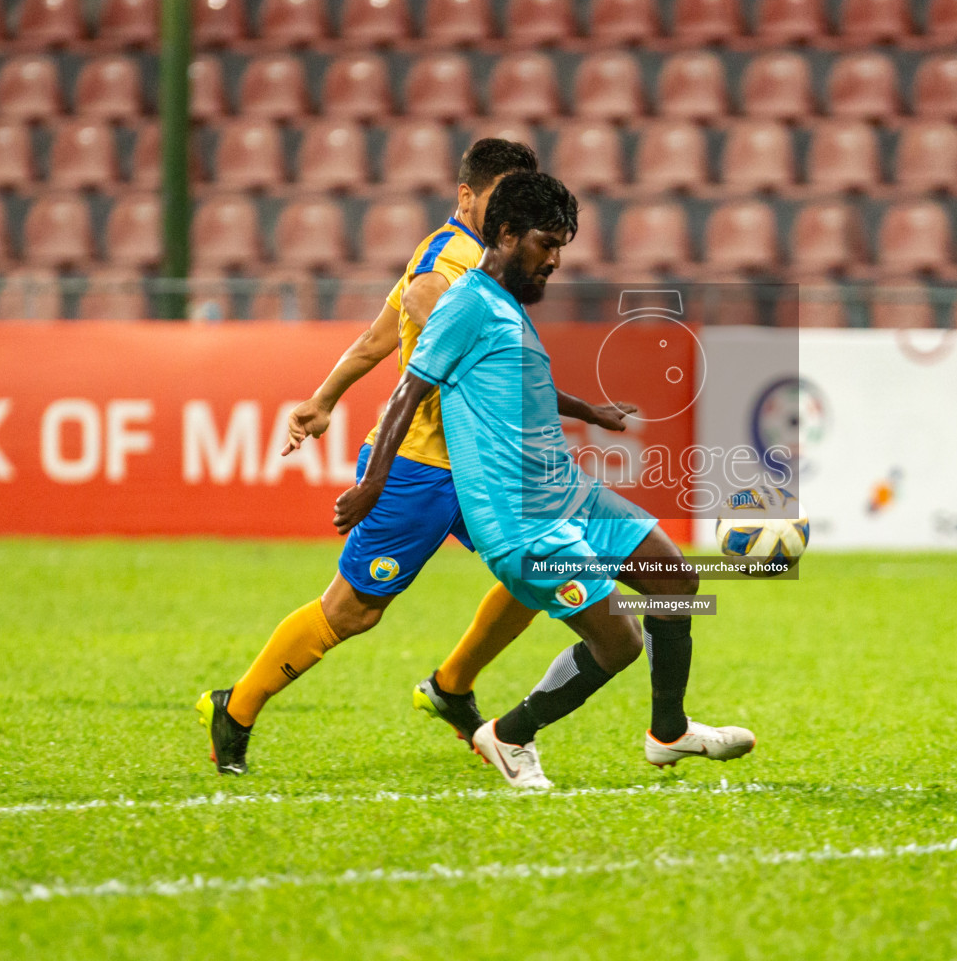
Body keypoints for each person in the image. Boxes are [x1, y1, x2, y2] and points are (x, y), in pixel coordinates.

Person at [196, 140, 631, 775]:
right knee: (353, 611)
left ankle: (451, 685)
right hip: (423, 467)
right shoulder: (443, 261)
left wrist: (323, 399)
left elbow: (379, 335)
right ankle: (237, 706)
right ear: (468, 197)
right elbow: (427, 333)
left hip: (483, 463)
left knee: (535, 565)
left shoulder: (492, 263)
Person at [334, 171, 754, 789]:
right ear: (505, 233)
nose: (556, 260)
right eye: (547, 244)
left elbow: (523, 389)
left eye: (561, 246)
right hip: (520, 521)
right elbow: (409, 389)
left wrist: (590, 413)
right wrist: (373, 481)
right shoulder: (467, 304)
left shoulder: (505, 309)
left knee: (676, 578)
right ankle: (508, 735)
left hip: (570, 494)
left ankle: (669, 732)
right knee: (620, 643)